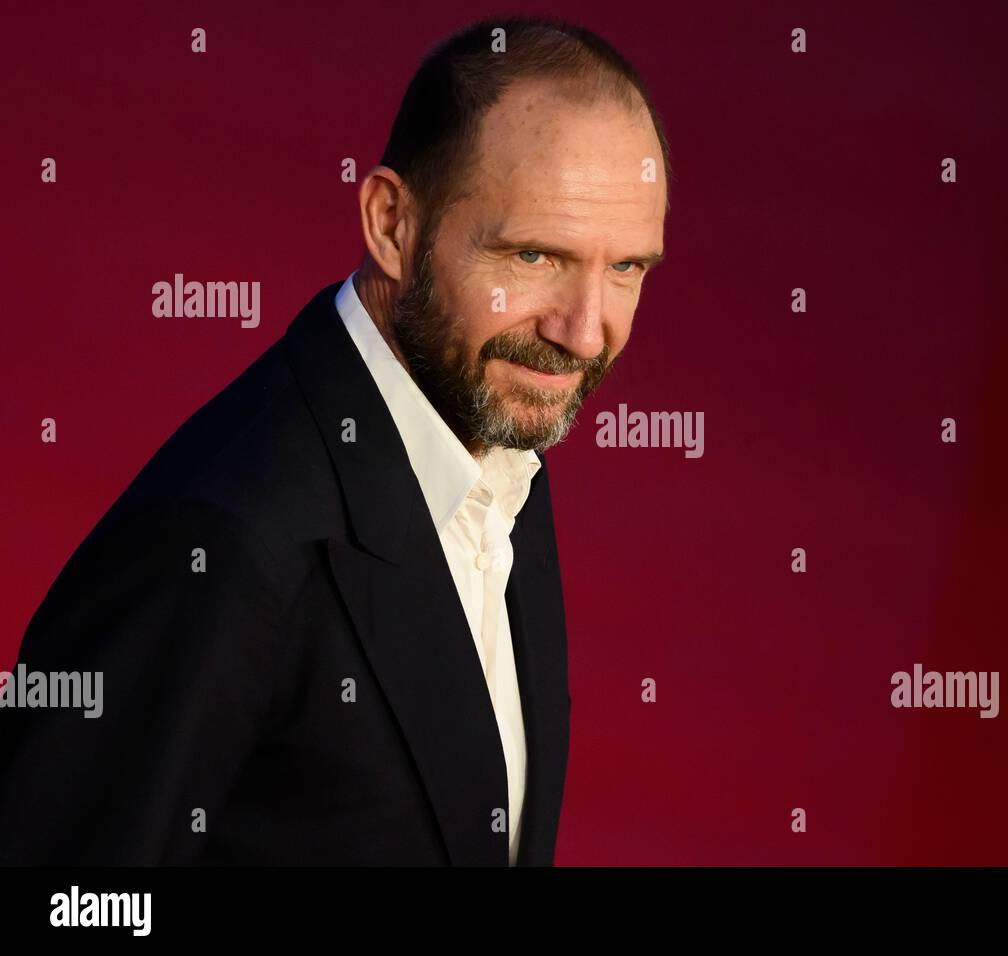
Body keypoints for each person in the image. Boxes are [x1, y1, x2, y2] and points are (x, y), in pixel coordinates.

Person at [0, 15, 670, 866]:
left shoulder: (498, 458)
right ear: (392, 224)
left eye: (626, 269)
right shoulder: (223, 539)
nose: (582, 332)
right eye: (534, 257)